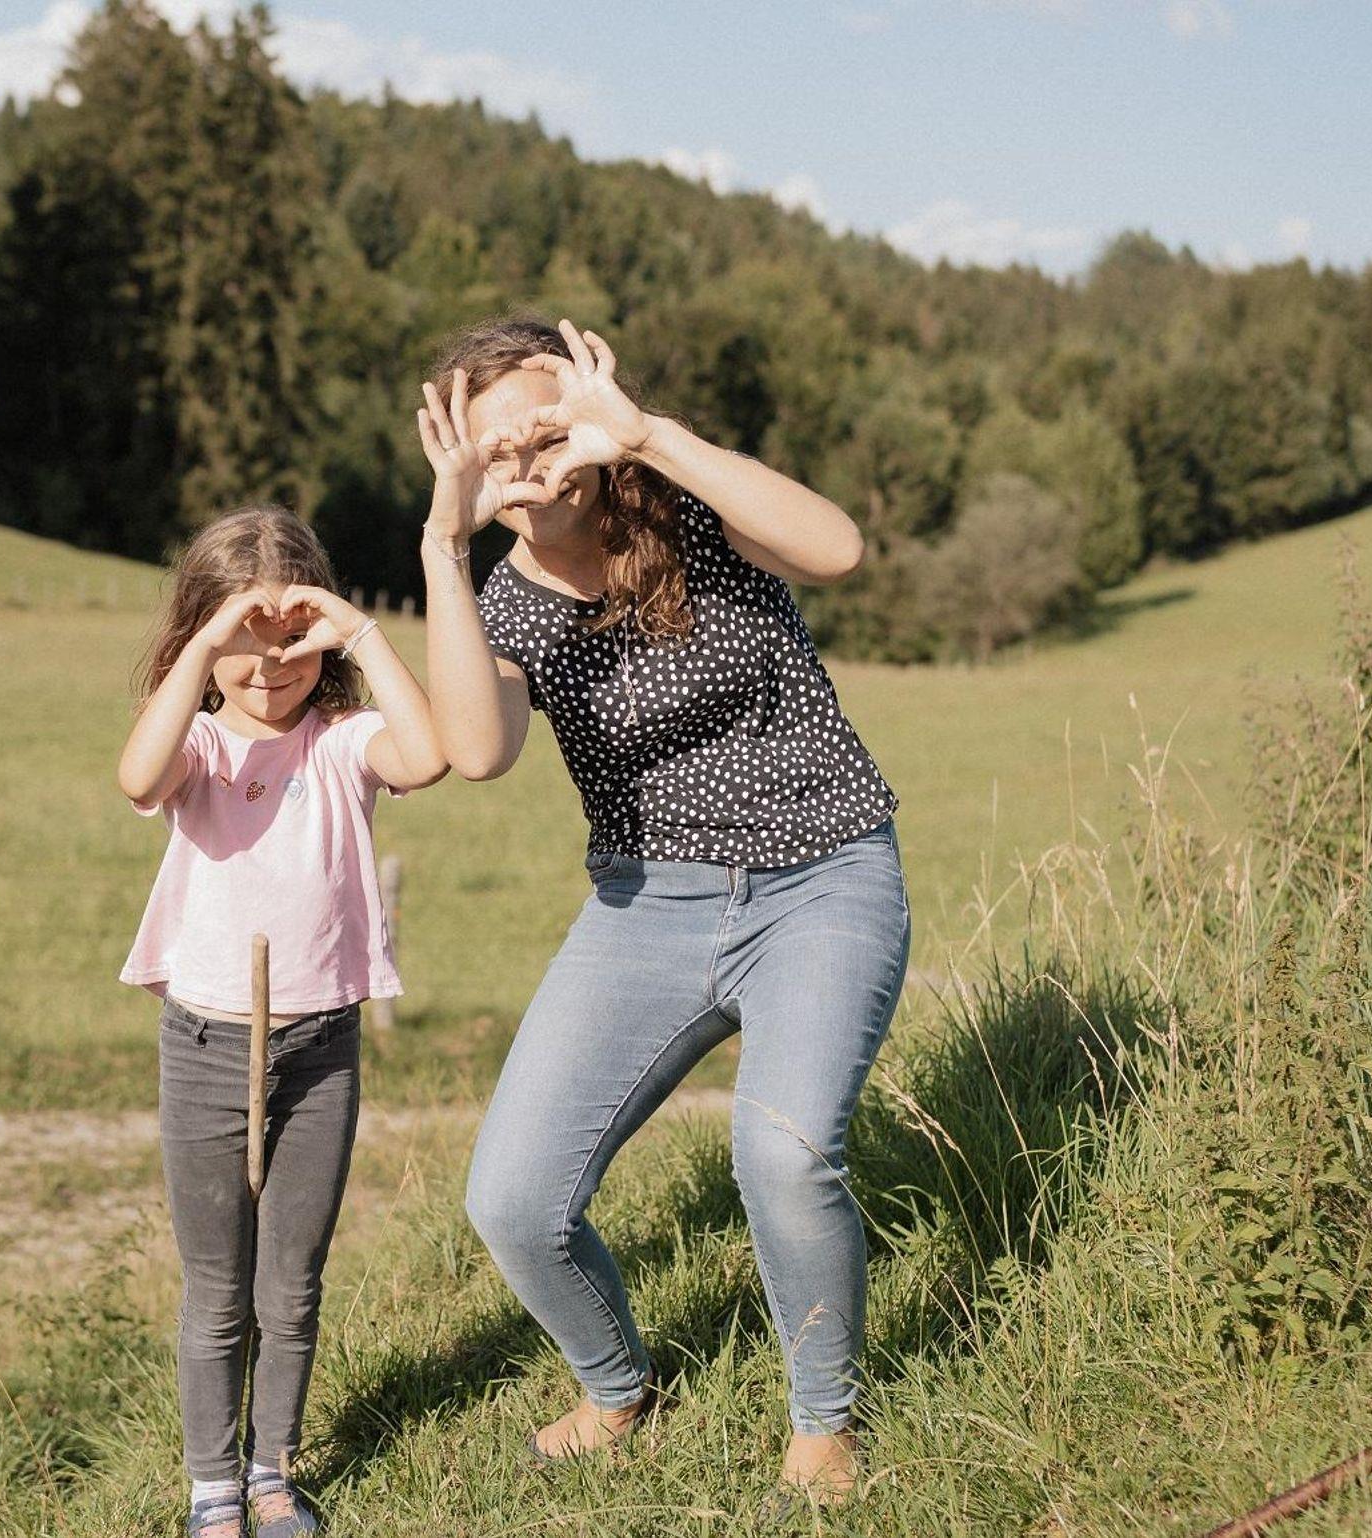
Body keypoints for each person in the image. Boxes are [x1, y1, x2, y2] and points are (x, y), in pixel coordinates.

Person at [414, 316, 908, 1508]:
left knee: (782, 1151)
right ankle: (617, 1388)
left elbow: (837, 548)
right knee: (511, 1199)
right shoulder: (504, 600)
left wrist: (647, 436)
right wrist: (439, 543)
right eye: (495, 444)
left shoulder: (687, 507)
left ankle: (822, 1420)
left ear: (587, 415)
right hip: (648, 903)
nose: (526, 457)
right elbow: (474, 750)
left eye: (544, 426)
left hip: (821, 872)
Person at [116, 506, 445, 1537]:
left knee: (291, 1286)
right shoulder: (199, 745)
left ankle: (272, 1471)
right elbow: (137, 776)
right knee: (218, 1288)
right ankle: (212, 1484)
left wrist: (361, 632)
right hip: (207, 1042)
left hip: (319, 1045)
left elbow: (429, 756)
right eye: (243, 648)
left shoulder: (343, 743)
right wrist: (206, 645)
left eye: (292, 647)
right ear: (204, 644)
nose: (270, 671)